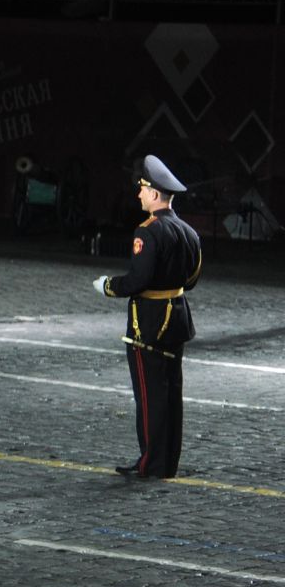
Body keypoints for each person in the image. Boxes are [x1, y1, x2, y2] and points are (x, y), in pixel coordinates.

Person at [94, 155, 203, 480]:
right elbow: (193, 279)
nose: (139, 195)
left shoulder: (149, 231)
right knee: (171, 394)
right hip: (178, 318)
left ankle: (150, 464)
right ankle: (167, 462)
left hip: (150, 322)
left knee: (150, 396)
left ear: (155, 194)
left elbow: (137, 281)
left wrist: (108, 287)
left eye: (143, 189)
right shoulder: (188, 231)